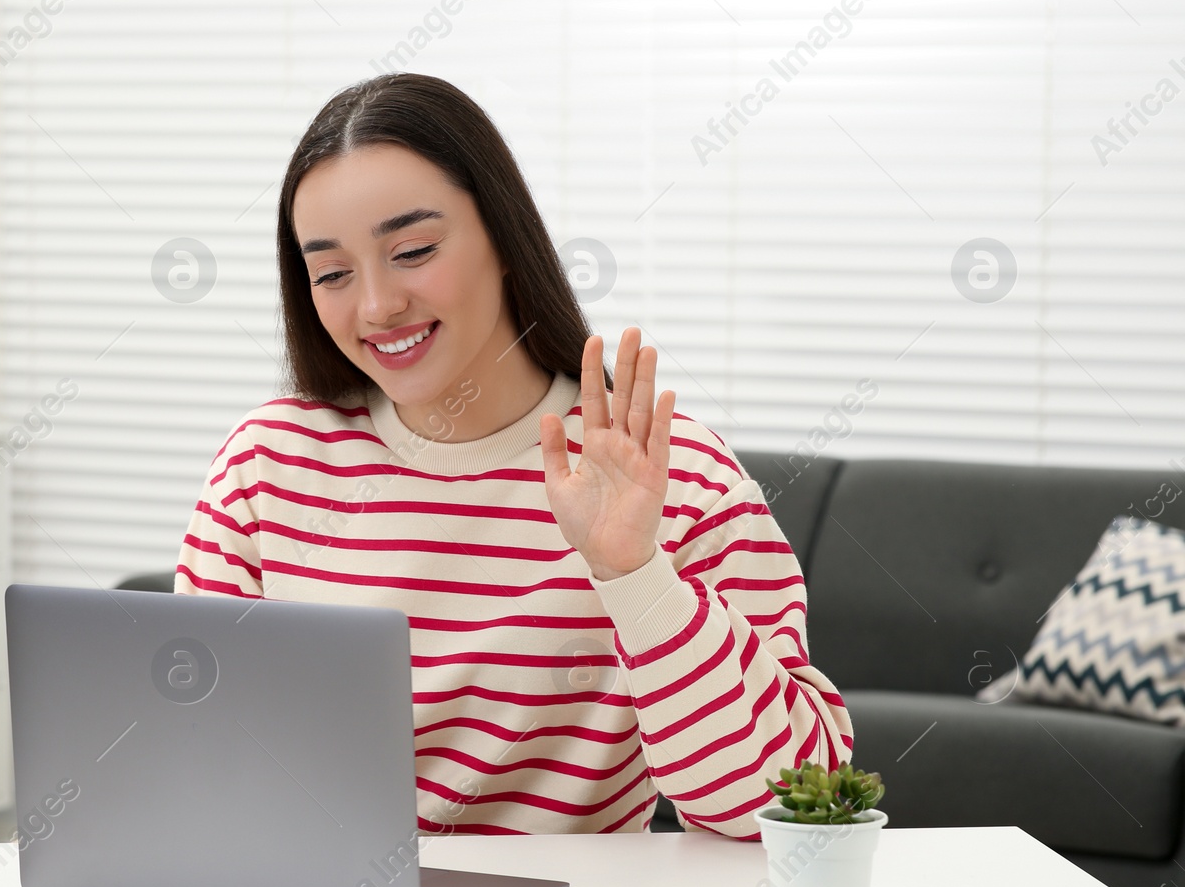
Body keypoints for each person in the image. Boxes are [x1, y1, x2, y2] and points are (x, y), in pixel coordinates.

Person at [175, 73, 853, 840]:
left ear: (503, 239)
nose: (375, 305)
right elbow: (197, 764)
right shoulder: (266, 466)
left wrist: (634, 573)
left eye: (414, 250)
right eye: (331, 272)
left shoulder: (674, 473)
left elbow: (791, 808)